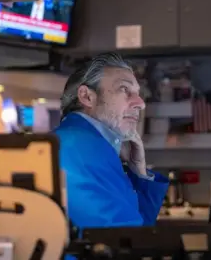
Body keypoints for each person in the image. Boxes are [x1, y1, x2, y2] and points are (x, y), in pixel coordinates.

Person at [55, 53, 169, 229]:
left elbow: (140, 231)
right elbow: (122, 240)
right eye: (124, 89)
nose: (140, 103)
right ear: (87, 97)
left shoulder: (88, 143)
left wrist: (138, 172)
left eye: (138, 93)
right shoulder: (81, 146)